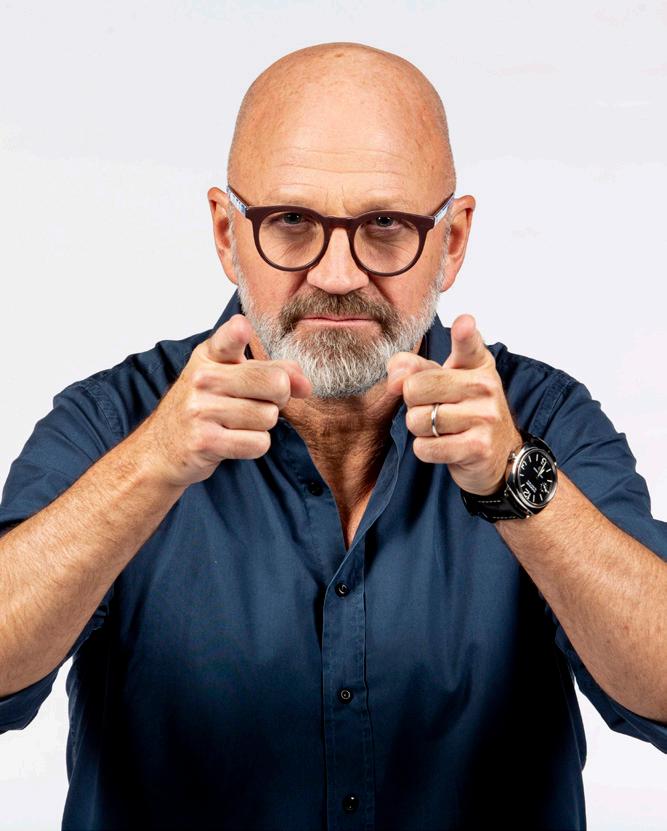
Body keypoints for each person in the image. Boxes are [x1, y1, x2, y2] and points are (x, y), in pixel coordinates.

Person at [0, 41, 665, 831]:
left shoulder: (541, 420)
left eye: (384, 225)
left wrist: (517, 484)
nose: (338, 274)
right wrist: (152, 465)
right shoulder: (114, 422)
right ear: (226, 233)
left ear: (451, 241)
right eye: (290, 222)